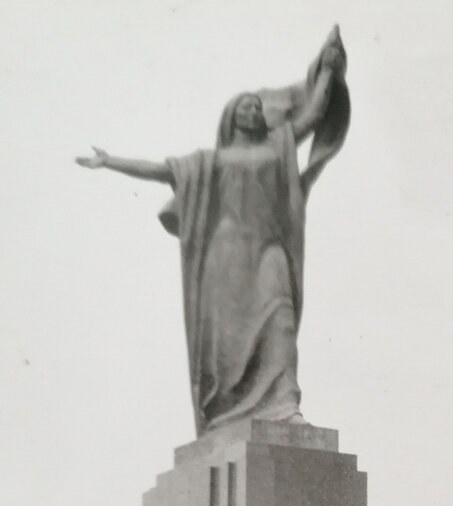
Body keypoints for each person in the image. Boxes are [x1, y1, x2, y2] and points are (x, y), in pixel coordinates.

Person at [76, 27, 350, 435]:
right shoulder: (208, 162)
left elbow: (311, 115)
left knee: (282, 319)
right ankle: (230, 412)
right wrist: (110, 160)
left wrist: (327, 70)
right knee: (229, 346)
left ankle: (285, 402)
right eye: (246, 107)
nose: (255, 112)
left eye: (258, 108)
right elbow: (159, 170)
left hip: (269, 251)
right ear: (231, 116)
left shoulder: (280, 146)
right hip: (226, 258)